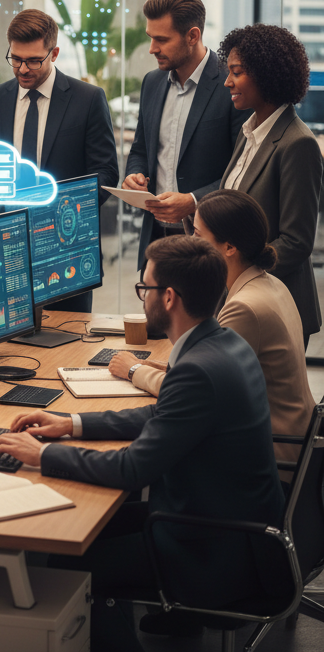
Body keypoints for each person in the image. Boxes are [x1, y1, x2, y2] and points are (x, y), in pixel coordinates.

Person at [0, 235, 285, 652]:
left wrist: (43, 455)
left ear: (169, 298)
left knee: (69, 564)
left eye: (144, 287)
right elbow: (161, 414)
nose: (141, 296)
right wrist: (70, 424)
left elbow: (133, 470)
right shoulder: (222, 343)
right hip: (226, 522)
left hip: (210, 547)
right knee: (84, 531)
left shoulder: (197, 369)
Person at [109, 189, 315, 464]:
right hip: (293, 441)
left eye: (197, 234)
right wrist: (150, 364)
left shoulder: (244, 308)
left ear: (229, 247)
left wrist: (134, 370)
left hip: (276, 453)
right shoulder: (269, 283)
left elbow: (193, 390)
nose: (191, 242)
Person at [0, 8, 118, 312]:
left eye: (33, 61)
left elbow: (105, 172)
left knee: (70, 335)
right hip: (4, 251)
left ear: (54, 53)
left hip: (66, 251)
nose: (23, 69)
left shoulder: (88, 99)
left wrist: (60, 212)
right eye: (15, 59)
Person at [122, 0, 247, 268]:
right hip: (155, 239)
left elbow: (244, 170)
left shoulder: (232, 85)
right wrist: (134, 175)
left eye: (162, 39)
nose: (152, 48)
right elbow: (141, 149)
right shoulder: (151, 82)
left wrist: (194, 200)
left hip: (211, 244)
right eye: (151, 37)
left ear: (192, 36)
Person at [218, 23, 322, 343]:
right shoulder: (249, 132)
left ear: (266, 75)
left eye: (237, 72)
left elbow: (296, 242)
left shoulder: (298, 143)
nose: (227, 81)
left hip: (274, 308)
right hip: (241, 299)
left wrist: (238, 274)